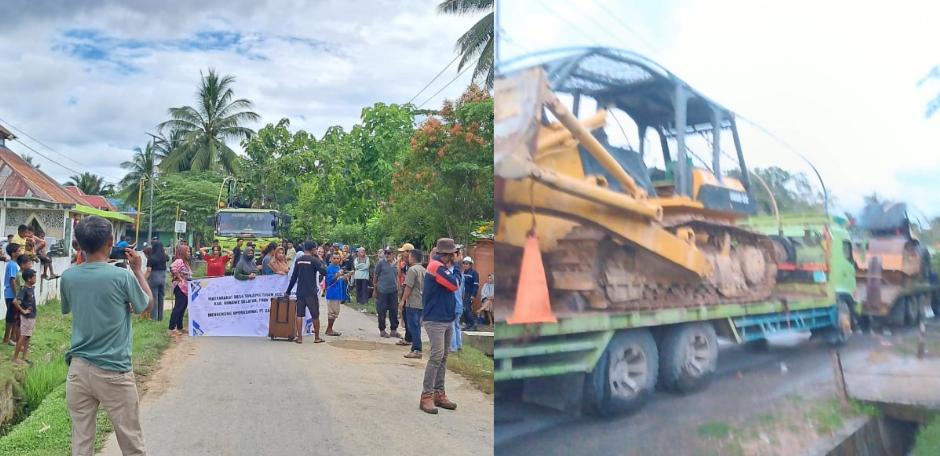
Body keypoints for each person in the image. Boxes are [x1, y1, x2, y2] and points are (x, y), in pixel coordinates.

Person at [60, 216, 152, 455]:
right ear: (111, 242)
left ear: (78, 245)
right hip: (114, 370)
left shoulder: (69, 277)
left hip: (78, 370)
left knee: (81, 442)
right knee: (131, 442)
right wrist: (138, 271)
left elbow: (69, 307)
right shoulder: (122, 276)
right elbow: (146, 305)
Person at [419, 238, 460, 414]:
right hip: (435, 319)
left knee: (443, 357)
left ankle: (439, 393)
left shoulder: (441, 267)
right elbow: (454, 285)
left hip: (445, 318)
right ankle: (426, 396)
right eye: (453, 254)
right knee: (436, 356)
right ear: (448, 255)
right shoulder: (436, 267)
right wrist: (457, 267)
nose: (455, 257)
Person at [285, 241, 327, 344]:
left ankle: (299, 338)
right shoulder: (314, 260)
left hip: (300, 292)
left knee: (299, 314)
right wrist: (319, 259)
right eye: (316, 249)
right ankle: (317, 338)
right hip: (311, 292)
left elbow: (294, 277)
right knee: (315, 315)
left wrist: (288, 291)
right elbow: (324, 272)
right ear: (313, 249)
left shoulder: (298, 260)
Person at [402, 249, 426, 359]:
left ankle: (416, 349)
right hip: (421, 301)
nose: (408, 258)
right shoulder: (423, 270)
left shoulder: (412, 270)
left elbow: (408, 287)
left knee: (413, 327)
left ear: (412, 257)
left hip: (412, 302)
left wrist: (403, 300)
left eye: (409, 256)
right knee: (417, 326)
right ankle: (417, 348)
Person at [11, 268, 37, 364]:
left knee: (28, 336)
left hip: (31, 316)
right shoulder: (24, 289)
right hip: (26, 317)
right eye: (34, 277)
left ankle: (24, 356)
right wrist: (23, 311)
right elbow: (15, 302)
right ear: (29, 279)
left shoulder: (30, 288)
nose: (36, 279)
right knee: (23, 336)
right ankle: (15, 357)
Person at [373, 248, 400, 338]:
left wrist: (398, 287)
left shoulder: (396, 263)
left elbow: (397, 276)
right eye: (386, 253)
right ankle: (382, 330)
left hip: (393, 290)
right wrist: (374, 289)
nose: (387, 255)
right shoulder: (381, 263)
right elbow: (375, 276)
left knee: (394, 310)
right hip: (382, 290)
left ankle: (393, 330)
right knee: (382, 310)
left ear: (393, 254)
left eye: (389, 253)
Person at [168, 244, 192, 336]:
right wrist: (179, 278)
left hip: (186, 289)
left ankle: (180, 327)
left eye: (189, 251)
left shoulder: (185, 262)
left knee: (183, 307)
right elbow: (173, 268)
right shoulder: (179, 260)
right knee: (178, 307)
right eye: (188, 251)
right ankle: (171, 328)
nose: (189, 253)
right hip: (180, 287)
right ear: (182, 252)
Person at [323, 254, 348, 337]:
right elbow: (329, 280)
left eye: (338, 258)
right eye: (334, 258)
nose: (336, 260)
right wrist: (338, 274)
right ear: (331, 259)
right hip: (332, 292)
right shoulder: (329, 268)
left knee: (335, 312)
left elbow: (339, 280)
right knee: (332, 312)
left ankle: (329, 329)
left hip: (338, 292)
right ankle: (329, 329)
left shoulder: (338, 267)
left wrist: (346, 276)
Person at [2, 242, 22, 346]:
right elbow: (12, 280)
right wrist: (16, 294)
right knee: (10, 317)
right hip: (11, 294)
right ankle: (6, 338)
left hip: (12, 293)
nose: (20, 252)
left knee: (14, 316)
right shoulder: (12, 265)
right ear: (13, 253)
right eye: (19, 251)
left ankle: (12, 337)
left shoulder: (14, 264)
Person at [146, 240, 169, 321]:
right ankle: (160, 317)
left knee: (154, 297)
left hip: (154, 277)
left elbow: (149, 270)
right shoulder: (164, 257)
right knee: (161, 297)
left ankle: (154, 317)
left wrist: (144, 278)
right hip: (163, 278)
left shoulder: (151, 258)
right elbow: (168, 258)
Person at [461, 257, 480, 331]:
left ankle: (473, 324)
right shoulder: (463, 273)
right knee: (464, 309)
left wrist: (473, 295)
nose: (465, 265)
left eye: (467, 264)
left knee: (467, 309)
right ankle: (468, 324)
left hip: (469, 294)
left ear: (470, 264)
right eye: (464, 263)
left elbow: (476, 285)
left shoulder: (474, 273)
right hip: (463, 293)